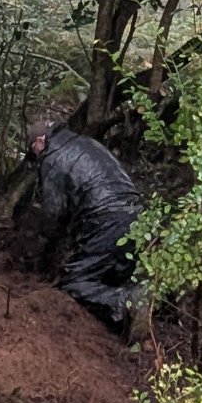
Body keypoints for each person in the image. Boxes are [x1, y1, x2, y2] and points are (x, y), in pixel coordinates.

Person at [28, 118, 153, 343]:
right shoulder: (86, 143)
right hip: (137, 215)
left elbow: (54, 216)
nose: (34, 155)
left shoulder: (52, 159)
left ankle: (127, 302)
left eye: (32, 149)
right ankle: (146, 306)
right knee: (110, 275)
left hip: (106, 220)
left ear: (40, 141)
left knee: (73, 283)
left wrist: (43, 257)